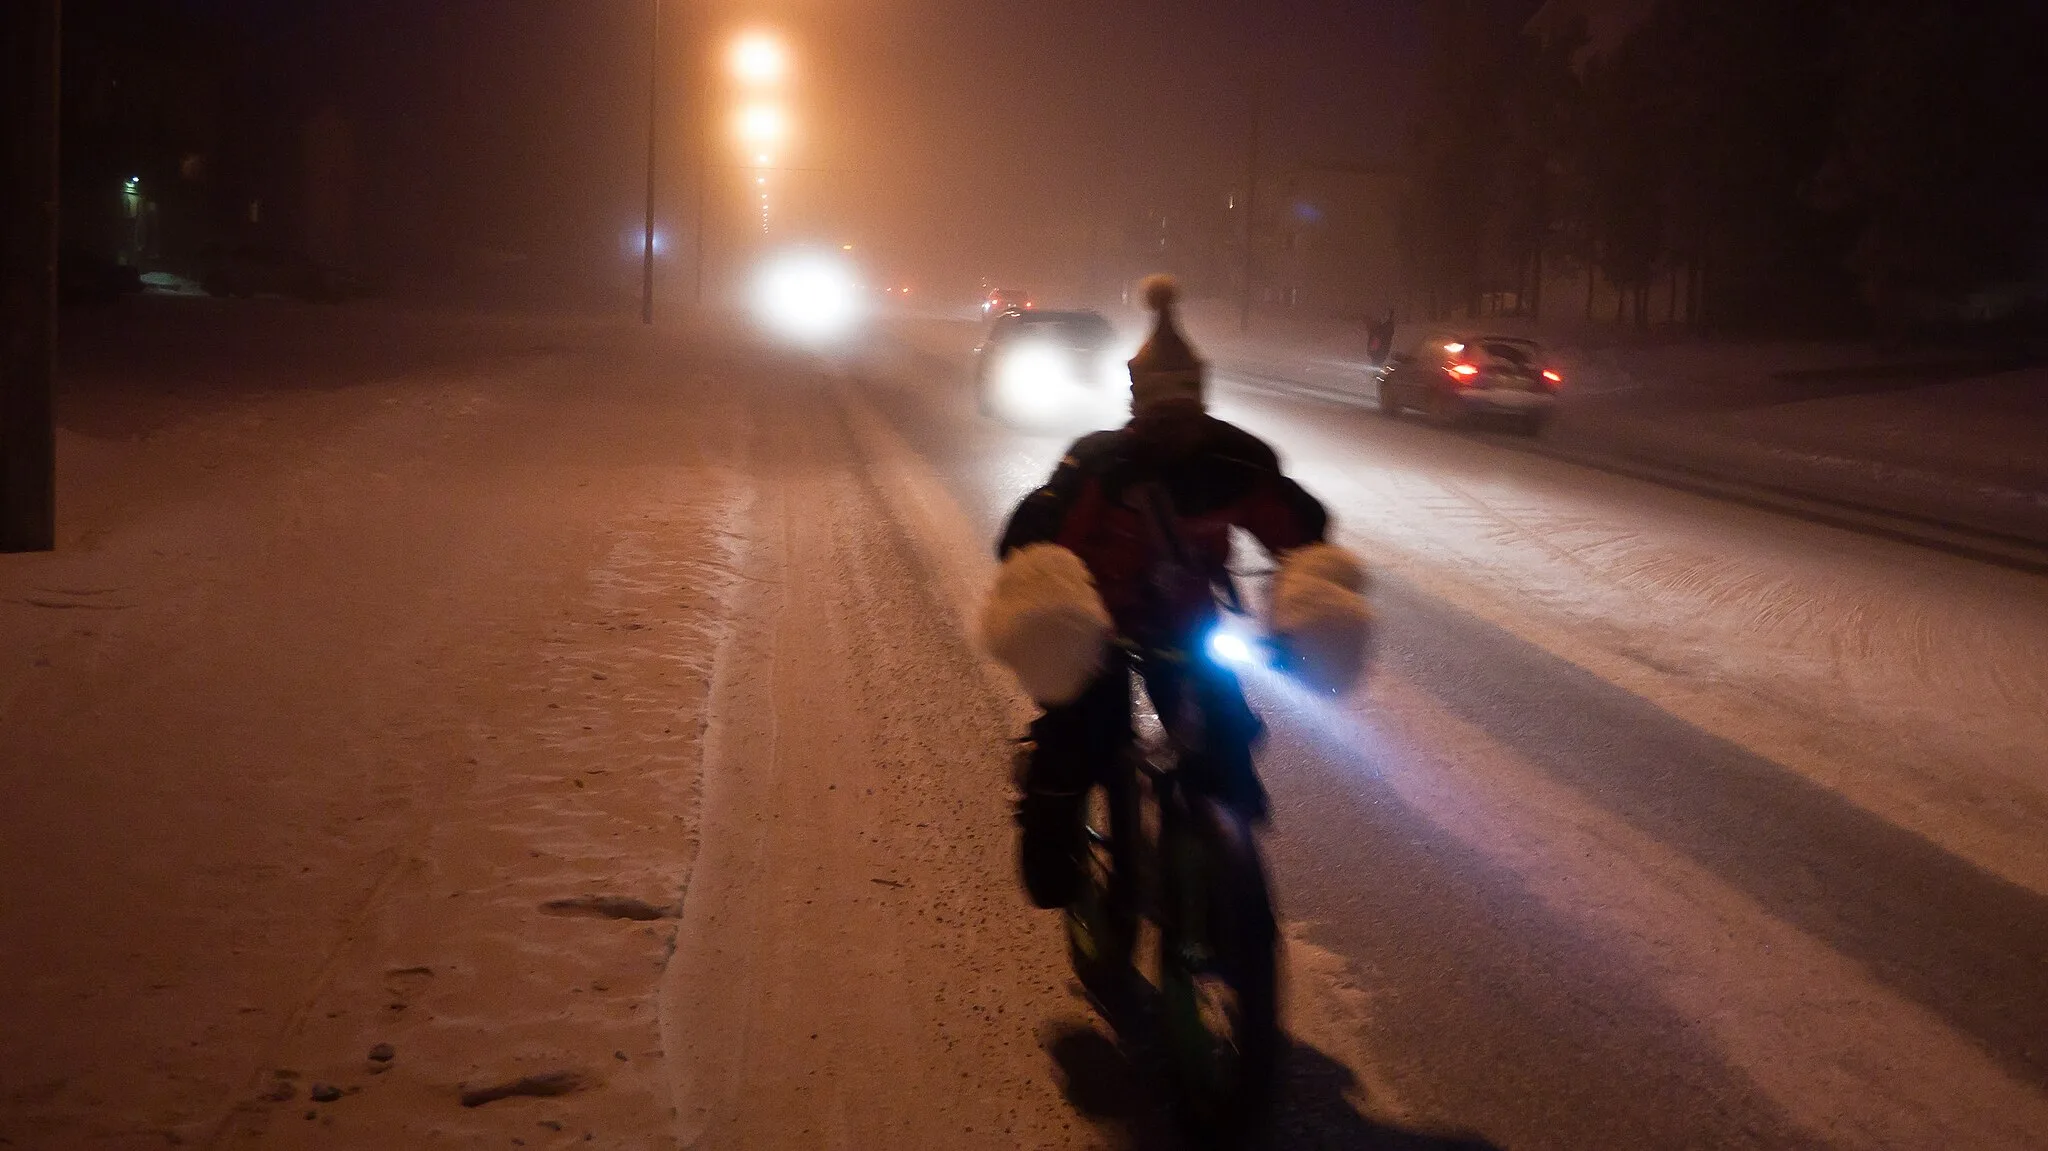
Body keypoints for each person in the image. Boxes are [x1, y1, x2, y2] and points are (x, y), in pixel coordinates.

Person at [978, 274, 1371, 910]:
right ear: (1136, 406)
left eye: (1183, 407)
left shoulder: (1235, 462)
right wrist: (1051, 611)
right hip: (1099, 624)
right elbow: (1036, 536)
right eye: (1157, 409)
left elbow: (1298, 536)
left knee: (1227, 729)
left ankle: (1218, 863)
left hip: (1187, 624)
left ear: (1201, 401)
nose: (1172, 424)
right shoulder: (1101, 465)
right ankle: (1052, 831)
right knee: (1081, 731)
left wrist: (1307, 614)